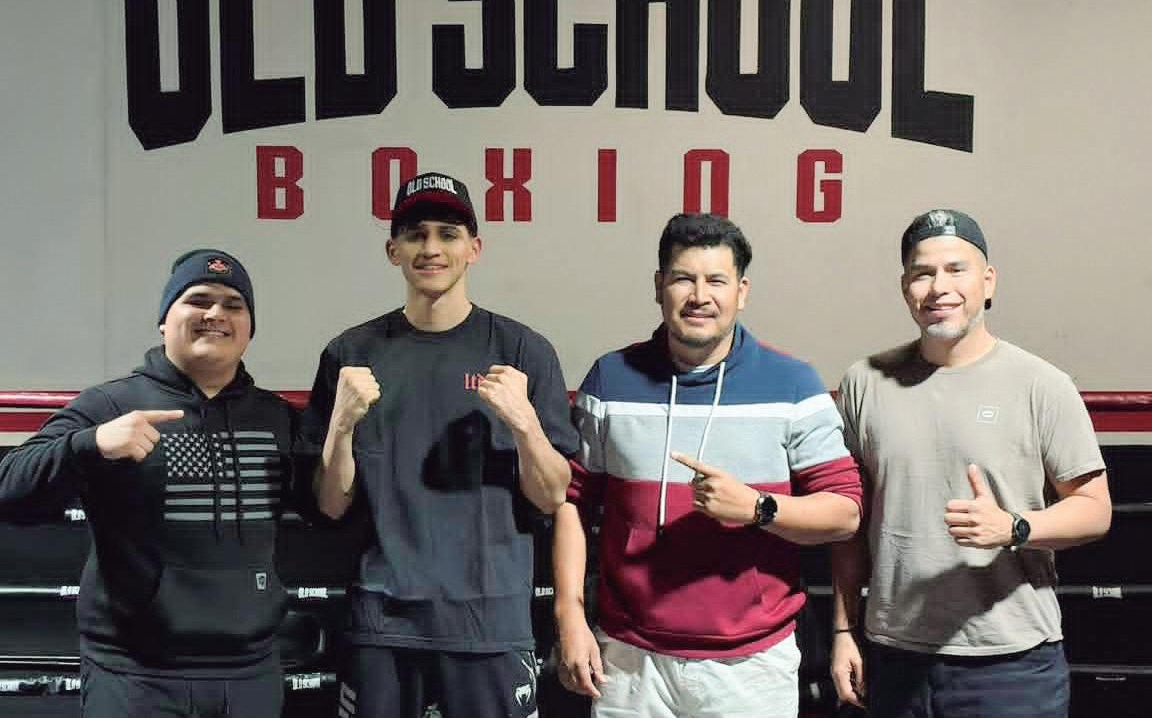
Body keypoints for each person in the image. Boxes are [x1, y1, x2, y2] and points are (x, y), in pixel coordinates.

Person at [553, 212, 863, 718]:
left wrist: (758, 507)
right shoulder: (611, 379)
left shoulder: (792, 384)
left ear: (742, 291)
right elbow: (572, 501)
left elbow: (844, 514)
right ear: (659, 286)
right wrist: (569, 613)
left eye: (716, 280)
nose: (700, 296)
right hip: (629, 658)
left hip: (752, 664)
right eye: (684, 278)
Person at [302, 171, 578, 718]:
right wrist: (341, 426)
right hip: (384, 621)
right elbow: (331, 504)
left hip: (490, 622)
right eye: (416, 234)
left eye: (448, 234)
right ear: (393, 251)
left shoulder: (522, 350)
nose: (431, 248)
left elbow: (552, 496)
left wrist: (525, 423)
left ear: (474, 248)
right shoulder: (351, 353)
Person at [829, 209, 1112, 717]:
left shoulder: (1042, 385)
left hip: (1012, 664)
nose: (939, 287)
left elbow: (1095, 509)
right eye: (923, 273)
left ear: (988, 281)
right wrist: (843, 629)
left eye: (956, 269)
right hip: (893, 655)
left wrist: (1015, 527)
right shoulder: (864, 382)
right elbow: (851, 521)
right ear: (905, 287)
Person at [0, 249, 301, 717]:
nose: (216, 313)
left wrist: (344, 429)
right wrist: (89, 444)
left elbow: (331, 509)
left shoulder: (277, 417)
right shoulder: (109, 405)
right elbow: (8, 486)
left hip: (251, 672)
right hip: (136, 675)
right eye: (197, 300)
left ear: (249, 328)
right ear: (164, 320)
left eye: (233, 305)